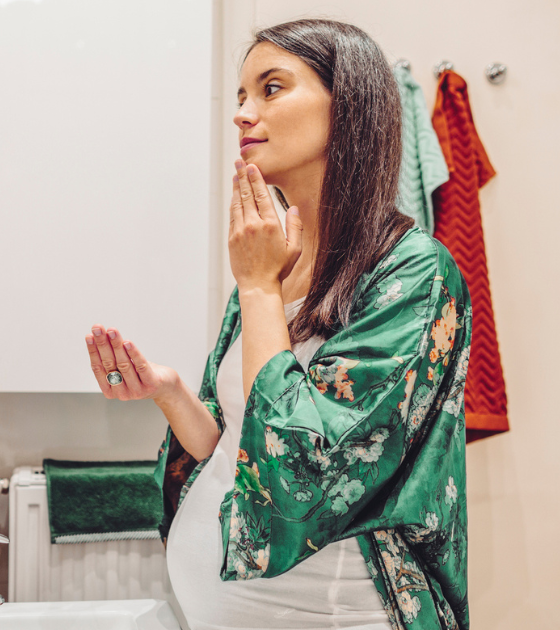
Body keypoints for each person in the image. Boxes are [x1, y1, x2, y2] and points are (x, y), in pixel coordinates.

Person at [83, 19, 471, 630]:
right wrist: (171, 392)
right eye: (241, 96)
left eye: (270, 89)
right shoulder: (275, 251)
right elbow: (243, 444)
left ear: (349, 109)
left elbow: (302, 479)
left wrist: (260, 286)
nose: (242, 113)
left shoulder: (414, 273)